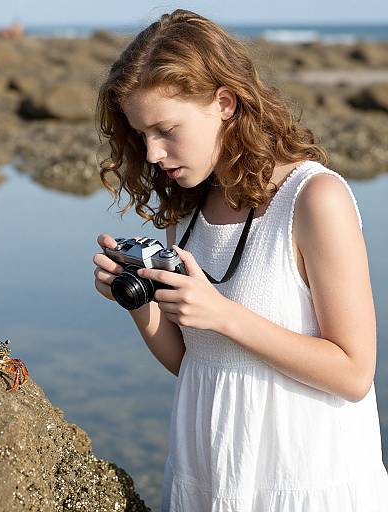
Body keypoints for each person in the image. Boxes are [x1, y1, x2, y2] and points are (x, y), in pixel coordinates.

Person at [93, 9, 388, 511]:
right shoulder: (184, 214)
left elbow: (354, 373)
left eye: (166, 129)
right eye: (142, 135)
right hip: (211, 473)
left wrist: (225, 315)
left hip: (305, 477)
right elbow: (197, 363)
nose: (154, 153)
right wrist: (141, 306)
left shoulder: (314, 199)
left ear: (224, 102)